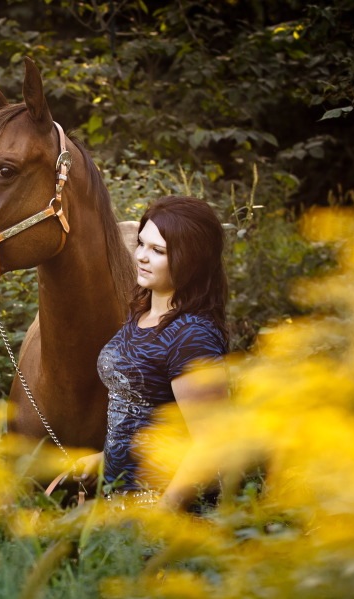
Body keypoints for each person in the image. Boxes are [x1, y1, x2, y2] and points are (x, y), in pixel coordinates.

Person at [74, 195, 229, 510]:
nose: (142, 257)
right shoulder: (142, 313)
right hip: (118, 500)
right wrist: (105, 458)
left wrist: (162, 514)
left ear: (192, 259)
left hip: (166, 514)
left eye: (157, 251)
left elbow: (211, 443)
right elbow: (146, 415)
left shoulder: (192, 336)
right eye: (141, 244)